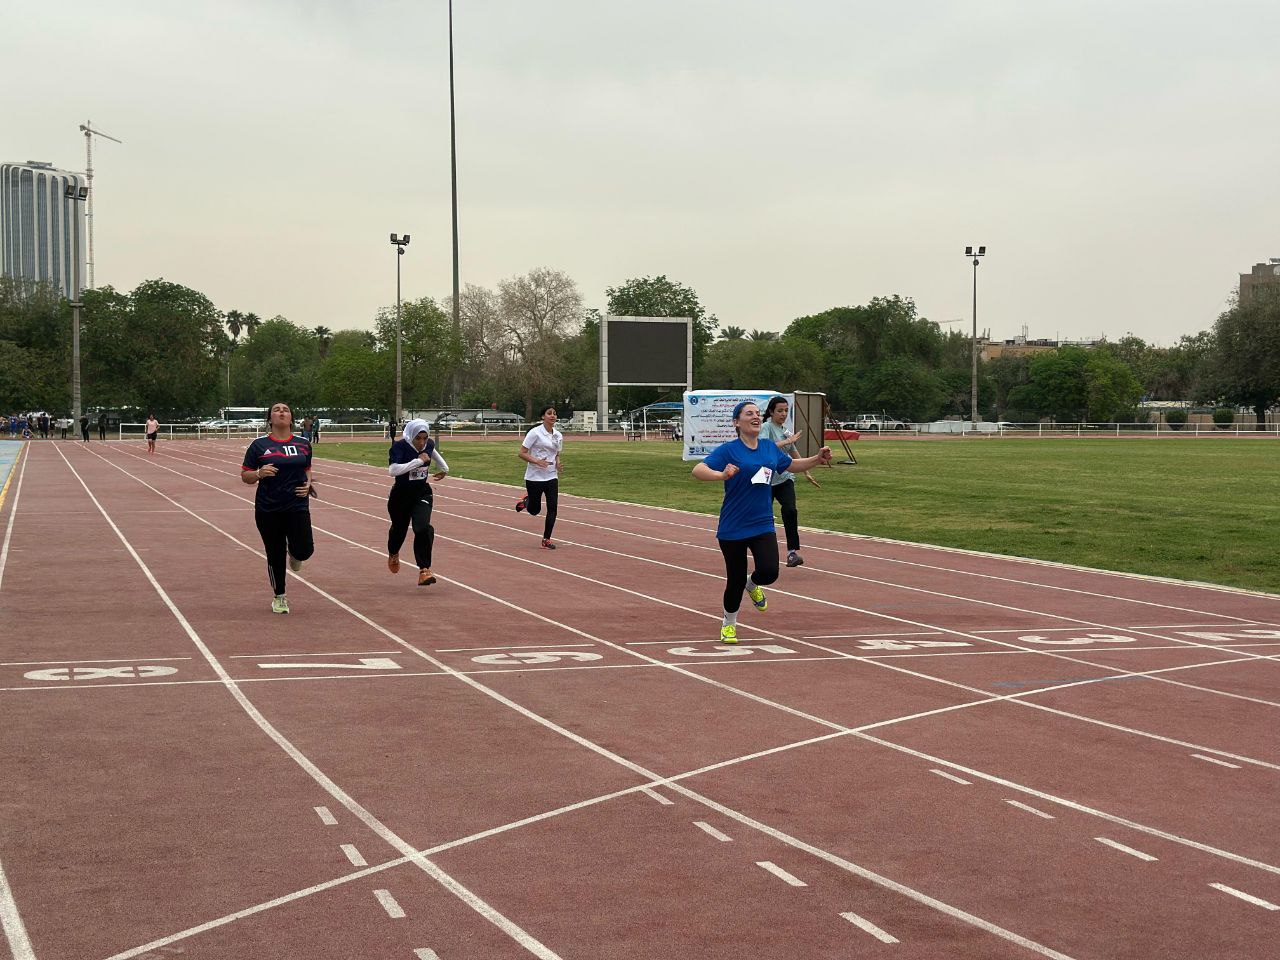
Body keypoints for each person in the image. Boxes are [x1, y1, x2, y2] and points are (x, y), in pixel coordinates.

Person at [692, 400, 832, 644]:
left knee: (769, 571)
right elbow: (698, 469)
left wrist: (816, 459)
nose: (756, 417)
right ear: (737, 422)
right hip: (733, 526)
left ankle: (753, 583)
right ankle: (729, 623)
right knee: (734, 580)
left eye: (757, 413)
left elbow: (791, 465)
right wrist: (721, 475)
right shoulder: (729, 450)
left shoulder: (769, 448)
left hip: (762, 523)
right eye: (749, 414)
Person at [240, 401, 316, 614]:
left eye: (285, 410)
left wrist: (308, 483)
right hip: (268, 508)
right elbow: (245, 475)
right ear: (270, 419)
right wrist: (258, 473)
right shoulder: (259, 445)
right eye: (276, 410)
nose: (281, 412)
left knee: (305, 549)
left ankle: (296, 552)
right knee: (274, 553)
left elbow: (307, 467)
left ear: (291, 418)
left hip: (297, 505)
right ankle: (279, 596)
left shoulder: (303, 443)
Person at [386, 418, 449, 586]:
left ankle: (424, 569)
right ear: (410, 436)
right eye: (418, 438)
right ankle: (393, 553)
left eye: (424, 438)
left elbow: (433, 453)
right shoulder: (399, 447)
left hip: (422, 493)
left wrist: (444, 468)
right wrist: (418, 461)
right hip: (400, 495)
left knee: (422, 528)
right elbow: (393, 471)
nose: (422, 442)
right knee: (399, 529)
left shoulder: (428, 444)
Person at [760, 395, 812, 568]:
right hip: (765, 478)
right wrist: (787, 441)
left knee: (790, 510)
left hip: (784, 478)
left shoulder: (786, 430)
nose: (783, 414)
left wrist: (806, 472)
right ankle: (760, 550)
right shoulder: (766, 428)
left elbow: (795, 454)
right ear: (771, 412)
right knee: (763, 516)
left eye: (786, 411)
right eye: (780, 411)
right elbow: (765, 448)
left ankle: (792, 553)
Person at [515, 406, 564, 549]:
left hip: (551, 476)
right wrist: (537, 461)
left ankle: (546, 539)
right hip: (534, 477)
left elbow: (557, 453)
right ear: (543, 416)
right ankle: (527, 501)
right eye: (549, 413)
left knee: (553, 508)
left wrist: (558, 463)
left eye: (555, 413)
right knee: (535, 510)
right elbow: (522, 453)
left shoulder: (558, 435)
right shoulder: (534, 433)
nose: (553, 416)